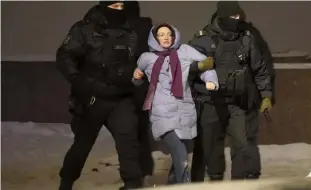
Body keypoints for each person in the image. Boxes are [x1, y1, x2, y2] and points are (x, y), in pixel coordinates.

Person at [56, 1, 144, 189]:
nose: (119, 11)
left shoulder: (132, 30)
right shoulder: (85, 28)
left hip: (122, 96)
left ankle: (132, 184)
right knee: (82, 143)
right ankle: (66, 182)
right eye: (114, 6)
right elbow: (65, 55)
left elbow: (140, 58)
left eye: (122, 6)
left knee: (128, 141)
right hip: (93, 96)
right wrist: (79, 81)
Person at [189, 1, 274, 181]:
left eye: (238, 16)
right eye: (232, 17)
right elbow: (184, 67)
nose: (236, 20)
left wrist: (266, 95)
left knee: (243, 144)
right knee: (211, 146)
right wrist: (198, 66)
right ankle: (215, 180)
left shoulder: (246, 39)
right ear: (222, 16)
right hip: (211, 101)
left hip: (237, 102)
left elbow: (260, 69)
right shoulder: (203, 39)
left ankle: (240, 182)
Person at [133, 22, 218, 184]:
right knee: (179, 152)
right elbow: (137, 81)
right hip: (161, 111)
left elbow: (207, 66)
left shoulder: (184, 51)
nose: (165, 37)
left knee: (181, 154)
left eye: (168, 34)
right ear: (154, 38)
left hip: (184, 110)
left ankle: (172, 184)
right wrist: (136, 77)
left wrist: (210, 80)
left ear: (174, 36)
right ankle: (184, 186)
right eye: (161, 34)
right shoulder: (147, 58)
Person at [124, 1, 155, 185]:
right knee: (140, 130)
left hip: (130, 86)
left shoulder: (129, 30)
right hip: (144, 87)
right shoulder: (147, 30)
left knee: (130, 133)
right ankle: (144, 169)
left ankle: (137, 174)